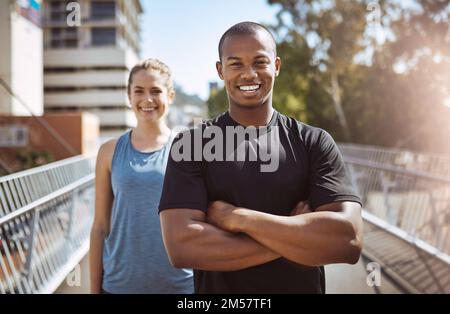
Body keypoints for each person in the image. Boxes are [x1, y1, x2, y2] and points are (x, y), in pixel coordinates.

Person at [158, 22, 363, 294]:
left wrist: (239, 218)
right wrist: (297, 236)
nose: (249, 74)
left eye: (260, 62)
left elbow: (347, 240)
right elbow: (182, 247)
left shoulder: (314, 142)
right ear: (220, 70)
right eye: (236, 64)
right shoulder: (191, 145)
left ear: (276, 66)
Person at [89, 59, 194, 294]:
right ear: (129, 97)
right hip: (119, 286)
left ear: (171, 96)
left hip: (179, 287)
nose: (147, 99)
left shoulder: (187, 150)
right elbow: (99, 227)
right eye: (139, 91)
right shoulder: (109, 151)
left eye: (156, 91)